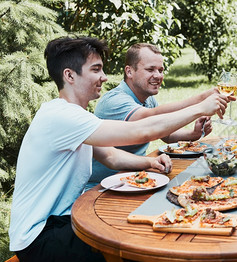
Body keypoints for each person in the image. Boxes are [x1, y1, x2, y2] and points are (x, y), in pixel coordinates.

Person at [8, 36, 229, 262]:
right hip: (39, 236)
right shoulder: (61, 116)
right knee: (136, 245)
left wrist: (148, 162)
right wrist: (199, 107)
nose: (104, 76)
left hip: (63, 219)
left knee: (143, 231)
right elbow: (140, 130)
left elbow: (111, 157)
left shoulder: (75, 116)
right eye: (96, 69)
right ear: (69, 75)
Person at [87, 43, 218, 190]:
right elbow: (148, 121)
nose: (158, 76)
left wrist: (193, 134)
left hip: (136, 179)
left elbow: (165, 134)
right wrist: (201, 100)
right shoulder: (114, 101)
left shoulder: (148, 99)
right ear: (129, 72)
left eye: (160, 70)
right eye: (150, 69)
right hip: (101, 187)